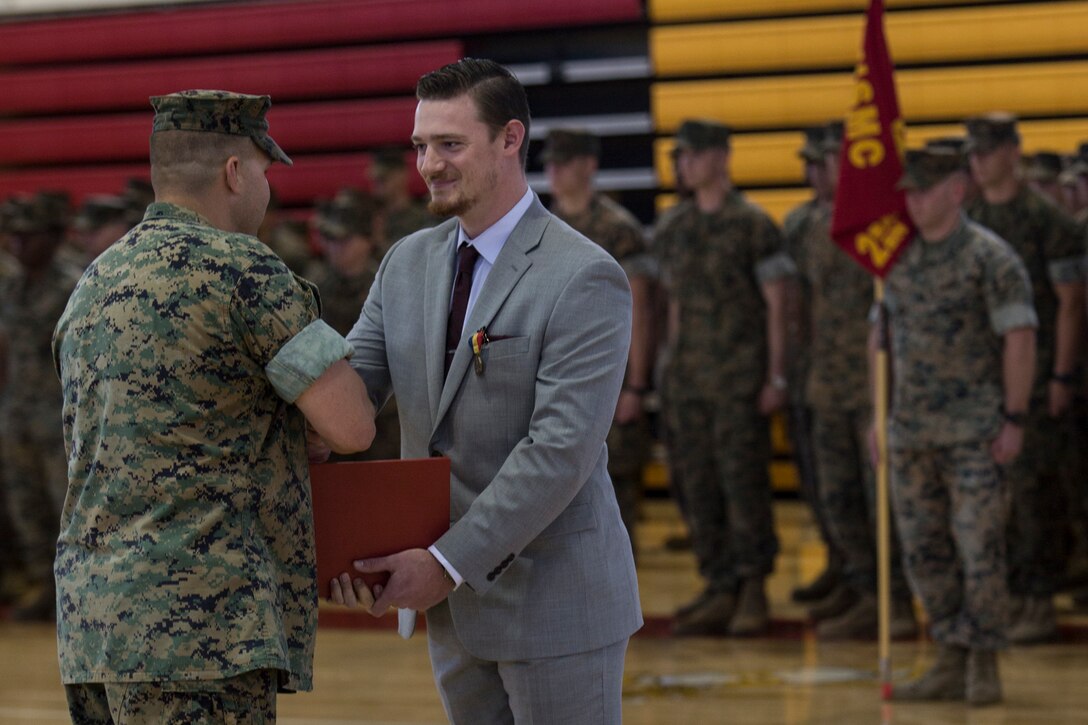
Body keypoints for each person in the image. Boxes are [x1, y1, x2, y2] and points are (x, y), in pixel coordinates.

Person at [331, 58, 641, 724]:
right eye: (420, 145)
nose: (429, 164)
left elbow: (559, 452)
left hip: (553, 604)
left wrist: (445, 562)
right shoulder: (406, 262)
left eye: (450, 144)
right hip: (453, 612)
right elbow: (349, 393)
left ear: (510, 139)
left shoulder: (585, 275)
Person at [52, 89, 375, 723]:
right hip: (201, 632)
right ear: (234, 172)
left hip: (94, 627)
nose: (268, 191)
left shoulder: (93, 281)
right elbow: (353, 425)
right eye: (264, 171)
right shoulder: (245, 272)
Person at [881, 147, 1037, 706]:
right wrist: (883, 418)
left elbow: (1019, 339)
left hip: (975, 432)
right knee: (925, 551)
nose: (913, 200)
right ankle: (948, 654)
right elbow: (884, 347)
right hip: (912, 433)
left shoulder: (990, 259)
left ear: (956, 189)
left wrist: (1014, 417)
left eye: (924, 189)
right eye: (909, 191)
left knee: (980, 549)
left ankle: (984, 661)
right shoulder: (895, 261)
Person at [652, 119, 795, 637]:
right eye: (680, 157)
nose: (683, 165)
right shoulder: (673, 227)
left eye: (691, 155)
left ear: (719, 158)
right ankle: (718, 583)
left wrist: (776, 377)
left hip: (739, 380)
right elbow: (669, 307)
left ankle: (753, 585)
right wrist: (664, 372)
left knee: (743, 483)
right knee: (697, 486)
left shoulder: (753, 225)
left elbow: (780, 306)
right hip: (687, 382)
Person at [785, 123, 916, 639]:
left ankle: (895, 602)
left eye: (828, 160)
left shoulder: (882, 225)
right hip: (827, 383)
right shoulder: (817, 225)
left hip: (873, 386)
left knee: (879, 501)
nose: (818, 171)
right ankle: (862, 587)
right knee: (837, 498)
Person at [963, 112, 1087, 644]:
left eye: (987, 151)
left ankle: (1038, 597)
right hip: (980, 378)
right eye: (974, 152)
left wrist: (1061, 373)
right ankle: (1006, 591)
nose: (978, 161)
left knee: (1034, 489)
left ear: (1013, 153)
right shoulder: (966, 217)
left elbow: (1071, 305)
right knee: (991, 496)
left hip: (1032, 375)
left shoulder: (1045, 221)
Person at [540, 127, 654, 558]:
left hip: (607, 376)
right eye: (550, 162)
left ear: (589, 165)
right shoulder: (539, 226)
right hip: (552, 376)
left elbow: (641, 310)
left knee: (617, 494)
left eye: (565, 162)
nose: (554, 171)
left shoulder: (617, 229)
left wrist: (635, 385)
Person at [0, 192, 82, 621]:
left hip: (60, 417)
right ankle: (39, 585)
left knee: (64, 505)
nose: (17, 244)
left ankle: (72, 590)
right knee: (24, 502)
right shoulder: (11, 285)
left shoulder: (74, 284)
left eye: (27, 236)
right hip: (17, 414)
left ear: (53, 236)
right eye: (13, 236)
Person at [782, 124, 841, 605]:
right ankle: (842, 568)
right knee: (824, 485)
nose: (813, 172)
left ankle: (874, 588)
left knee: (860, 491)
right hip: (813, 372)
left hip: (856, 378)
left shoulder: (872, 223)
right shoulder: (801, 223)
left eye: (824, 161)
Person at [309, 189, 401, 461]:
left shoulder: (387, 287)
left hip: (385, 422)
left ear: (365, 241)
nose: (334, 248)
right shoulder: (312, 287)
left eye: (344, 240)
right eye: (329, 239)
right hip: (332, 418)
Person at [368, 145, 440, 255]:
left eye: (384, 178)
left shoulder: (421, 217)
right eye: (376, 180)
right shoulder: (371, 216)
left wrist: (381, 241)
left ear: (402, 175)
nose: (378, 184)